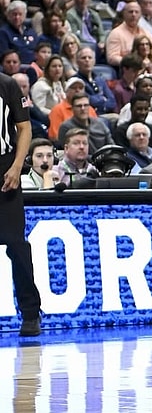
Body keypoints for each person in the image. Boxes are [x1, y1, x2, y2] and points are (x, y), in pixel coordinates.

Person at [0, 72, 42, 335]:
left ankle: (30, 312)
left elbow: (24, 127)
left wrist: (17, 166)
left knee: (16, 243)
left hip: (4, 166)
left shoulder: (7, 84)